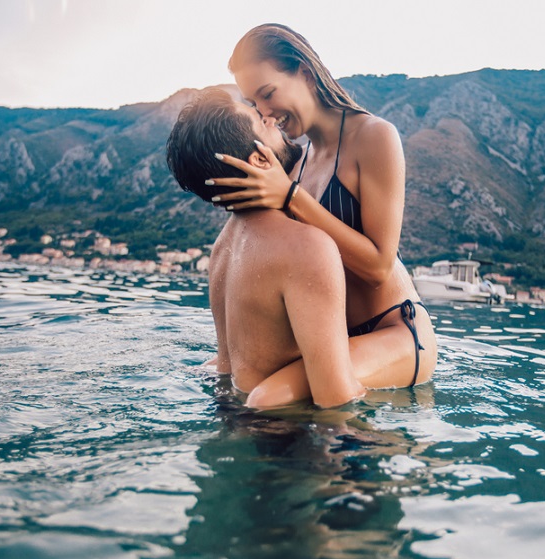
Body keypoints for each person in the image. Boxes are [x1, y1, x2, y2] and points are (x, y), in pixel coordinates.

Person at [207, 24, 437, 406]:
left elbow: (379, 265)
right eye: (254, 103)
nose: (265, 112)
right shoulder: (294, 163)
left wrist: (292, 197)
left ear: (305, 73)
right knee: (237, 385)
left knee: (267, 398)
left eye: (267, 94)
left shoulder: (375, 137)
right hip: (338, 338)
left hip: (396, 332)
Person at [166, 86, 363, 409]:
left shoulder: (222, 250)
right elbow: (336, 401)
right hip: (287, 443)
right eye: (260, 121)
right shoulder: (305, 247)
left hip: (232, 419)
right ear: (259, 160)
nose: (271, 119)